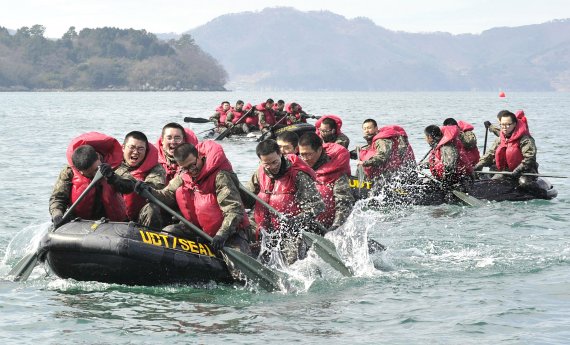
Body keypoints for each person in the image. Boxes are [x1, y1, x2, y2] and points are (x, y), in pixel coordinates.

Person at [136, 141, 251, 253]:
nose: (191, 170)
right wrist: (148, 190)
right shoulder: (183, 176)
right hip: (199, 230)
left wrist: (222, 234)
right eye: (185, 168)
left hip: (231, 232)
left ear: (199, 156)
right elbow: (166, 195)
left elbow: (234, 210)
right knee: (168, 233)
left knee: (238, 267)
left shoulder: (221, 176)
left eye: (193, 165)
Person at [244, 139, 325, 265]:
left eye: (274, 162)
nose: (272, 167)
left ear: (280, 154)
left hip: (291, 230)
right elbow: (248, 197)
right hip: (263, 227)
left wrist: (296, 221)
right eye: (267, 164)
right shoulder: (259, 172)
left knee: (291, 263)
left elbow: (317, 206)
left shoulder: (298, 175)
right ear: (260, 161)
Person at [49, 132, 131, 226]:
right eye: (89, 174)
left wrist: (113, 177)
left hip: (113, 222)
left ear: (98, 157)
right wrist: (57, 214)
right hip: (79, 221)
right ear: (79, 170)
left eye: (96, 170)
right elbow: (58, 198)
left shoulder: (115, 166)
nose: (94, 175)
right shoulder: (69, 172)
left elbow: (130, 185)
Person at [298, 133, 354, 231]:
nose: (305, 159)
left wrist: (336, 227)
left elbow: (344, 203)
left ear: (319, 150)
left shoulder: (337, 172)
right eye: (302, 155)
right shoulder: (298, 169)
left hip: (326, 227)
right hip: (303, 223)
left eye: (309, 154)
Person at [474, 110, 539, 189]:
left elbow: (529, 158)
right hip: (506, 171)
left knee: (524, 183)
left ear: (514, 124)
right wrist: (477, 166)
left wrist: (518, 170)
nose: (504, 127)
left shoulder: (525, 139)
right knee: (492, 183)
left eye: (508, 125)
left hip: (525, 171)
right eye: (502, 125)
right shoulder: (500, 139)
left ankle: (540, 192)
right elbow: (490, 154)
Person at [114, 131, 166, 229]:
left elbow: (156, 186)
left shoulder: (157, 168)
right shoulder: (112, 164)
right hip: (115, 215)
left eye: (140, 149)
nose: (135, 152)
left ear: (146, 151)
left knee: (152, 208)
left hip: (140, 216)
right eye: (132, 147)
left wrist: (144, 186)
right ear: (123, 148)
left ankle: (151, 239)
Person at [358, 121, 417, 185]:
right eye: (364, 129)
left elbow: (383, 156)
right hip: (395, 169)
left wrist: (365, 163)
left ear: (376, 128)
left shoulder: (381, 140)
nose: (367, 131)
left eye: (369, 128)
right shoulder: (375, 139)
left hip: (392, 171)